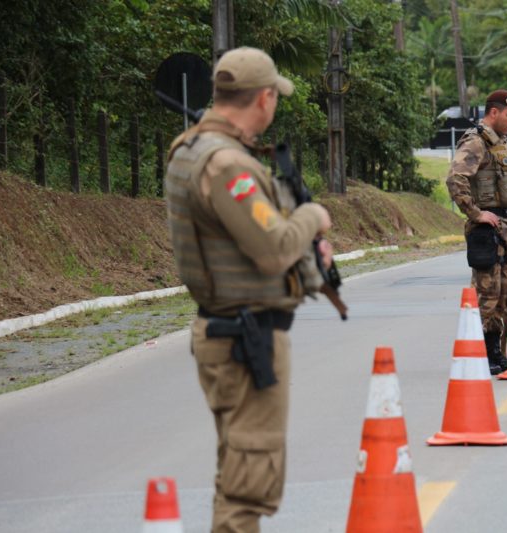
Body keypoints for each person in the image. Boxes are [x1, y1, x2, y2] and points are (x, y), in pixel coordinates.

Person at [165, 46, 333, 532]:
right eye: (275, 96)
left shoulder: (193, 149)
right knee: (248, 485)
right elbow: (273, 248)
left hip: (229, 332)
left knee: (239, 473)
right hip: (244, 339)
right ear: (263, 98)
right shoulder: (226, 165)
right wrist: (311, 217)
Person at [446, 89, 507, 375]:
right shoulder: (475, 142)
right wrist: (476, 213)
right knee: (487, 294)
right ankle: (479, 350)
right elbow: (455, 179)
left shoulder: (501, 144)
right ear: (493, 113)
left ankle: (494, 351)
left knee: (503, 294)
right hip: (487, 232)